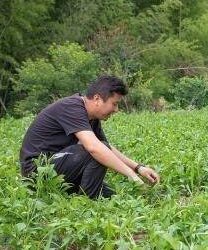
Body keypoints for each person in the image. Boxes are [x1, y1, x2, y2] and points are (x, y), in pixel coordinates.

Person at [19, 75, 160, 199]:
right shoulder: (72, 107)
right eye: (114, 104)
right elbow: (95, 148)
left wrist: (138, 168)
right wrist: (132, 177)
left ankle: (87, 197)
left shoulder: (92, 117)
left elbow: (107, 148)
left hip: (57, 168)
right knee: (98, 152)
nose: (116, 110)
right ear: (97, 99)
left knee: (111, 195)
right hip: (37, 173)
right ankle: (87, 202)